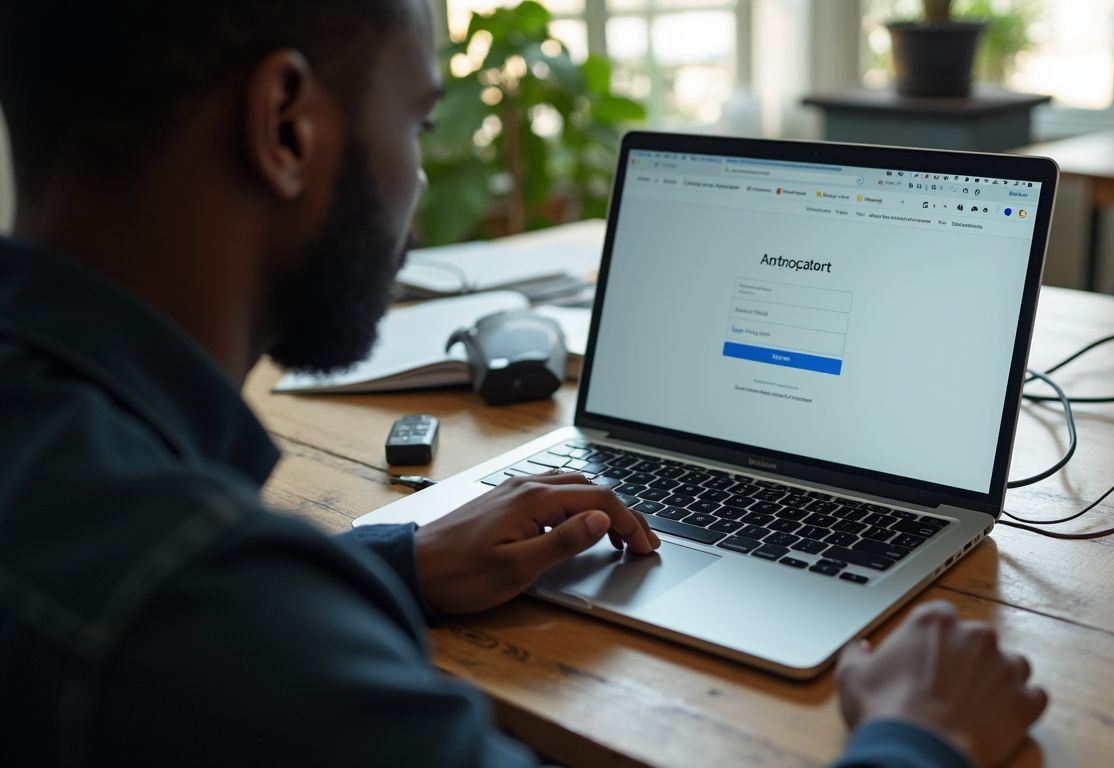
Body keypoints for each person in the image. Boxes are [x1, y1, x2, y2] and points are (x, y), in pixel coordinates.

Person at [0, 1, 1047, 766]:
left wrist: (394, 566)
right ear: (285, 126)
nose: (416, 178)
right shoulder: (204, 611)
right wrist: (921, 742)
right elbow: (228, 643)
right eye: (416, 120)